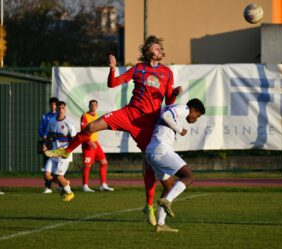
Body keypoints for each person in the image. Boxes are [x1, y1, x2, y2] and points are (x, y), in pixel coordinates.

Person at [45, 35, 183, 225]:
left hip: (147, 124)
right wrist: (112, 68)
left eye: (160, 47)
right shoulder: (139, 68)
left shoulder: (167, 72)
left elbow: (168, 101)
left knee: (150, 163)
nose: (159, 49)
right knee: (92, 126)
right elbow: (113, 83)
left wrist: (174, 94)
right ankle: (66, 150)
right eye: (155, 47)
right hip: (129, 113)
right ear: (148, 51)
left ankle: (148, 205)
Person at [145, 98, 205, 232]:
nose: (195, 119)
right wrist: (180, 129)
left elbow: (165, 114)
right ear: (193, 110)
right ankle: (168, 201)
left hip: (152, 152)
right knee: (189, 176)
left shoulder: (172, 108)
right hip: (162, 150)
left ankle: (160, 224)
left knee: (168, 187)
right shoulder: (184, 109)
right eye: (197, 116)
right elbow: (165, 116)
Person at [44, 101, 76, 201]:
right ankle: (65, 184)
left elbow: (75, 140)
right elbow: (49, 135)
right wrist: (45, 146)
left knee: (58, 176)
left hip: (64, 154)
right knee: (47, 175)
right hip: (54, 153)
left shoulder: (69, 124)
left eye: (63, 108)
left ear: (65, 109)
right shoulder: (51, 121)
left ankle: (70, 193)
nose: (61, 110)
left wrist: (67, 151)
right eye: (59, 108)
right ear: (56, 109)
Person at [81, 99, 113, 192]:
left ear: (97, 106)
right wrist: (89, 141)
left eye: (95, 105)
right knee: (87, 165)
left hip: (96, 143)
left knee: (104, 162)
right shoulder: (85, 116)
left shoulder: (97, 116)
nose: (93, 106)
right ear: (89, 106)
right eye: (92, 105)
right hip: (88, 143)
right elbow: (83, 130)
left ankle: (103, 184)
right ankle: (85, 186)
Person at [38, 97, 59, 193]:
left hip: (57, 144)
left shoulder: (60, 117)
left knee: (59, 164)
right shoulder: (45, 116)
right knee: (47, 165)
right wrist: (44, 137)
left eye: (55, 104)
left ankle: (61, 185)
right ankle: (48, 187)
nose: (53, 106)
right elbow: (40, 130)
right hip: (47, 144)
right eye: (51, 104)